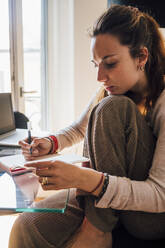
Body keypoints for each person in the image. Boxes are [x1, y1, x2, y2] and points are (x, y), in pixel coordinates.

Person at [9, 4, 165, 248]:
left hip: (149, 216)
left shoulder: (160, 102)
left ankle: (96, 230)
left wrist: (85, 178)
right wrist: (50, 142)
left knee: (113, 107)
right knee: (27, 226)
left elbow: (160, 194)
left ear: (141, 57)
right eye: (96, 65)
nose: (100, 77)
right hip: (107, 196)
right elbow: (80, 128)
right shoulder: (112, 88)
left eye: (110, 63)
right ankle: (97, 221)